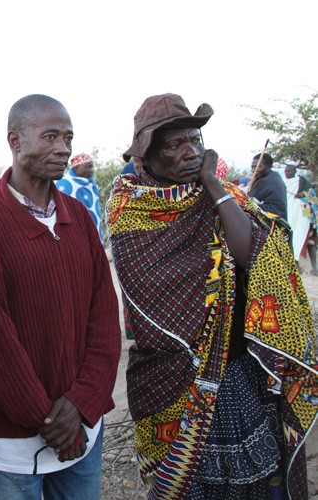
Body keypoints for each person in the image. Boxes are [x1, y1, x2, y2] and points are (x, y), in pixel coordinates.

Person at [108, 93, 318, 499]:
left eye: (196, 142)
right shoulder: (130, 209)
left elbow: (254, 254)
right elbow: (154, 301)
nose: (190, 153)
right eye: (175, 145)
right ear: (146, 159)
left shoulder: (224, 198)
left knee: (255, 479)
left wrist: (212, 183)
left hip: (241, 372)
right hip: (174, 381)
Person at [0, 94, 121, 499]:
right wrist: (49, 422)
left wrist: (81, 403)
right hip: (14, 443)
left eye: (67, 138)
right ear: (15, 141)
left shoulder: (78, 218)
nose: (63, 149)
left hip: (83, 429)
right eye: (50, 137)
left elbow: (103, 318)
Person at [55, 152, 103, 241]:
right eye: (87, 167)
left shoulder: (91, 184)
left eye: (91, 166)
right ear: (76, 167)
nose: (91, 169)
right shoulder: (64, 184)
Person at [283, 162, 313, 263]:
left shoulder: (302, 181)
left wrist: (303, 194)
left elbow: (312, 195)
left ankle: (309, 267)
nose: (287, 173)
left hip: (301, 215)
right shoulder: (282, 183)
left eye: (289, 171)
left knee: (300, 236)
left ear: (294, 171)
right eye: (285, 171)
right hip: (288, 213)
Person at [248, 152, 287, 218]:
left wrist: (249, 206)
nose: (254, 170)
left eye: (259, 167)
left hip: (273, 224)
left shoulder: (274, 182)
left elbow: (276, 209)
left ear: (268, 166)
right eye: (253, 167)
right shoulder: (262, 178)